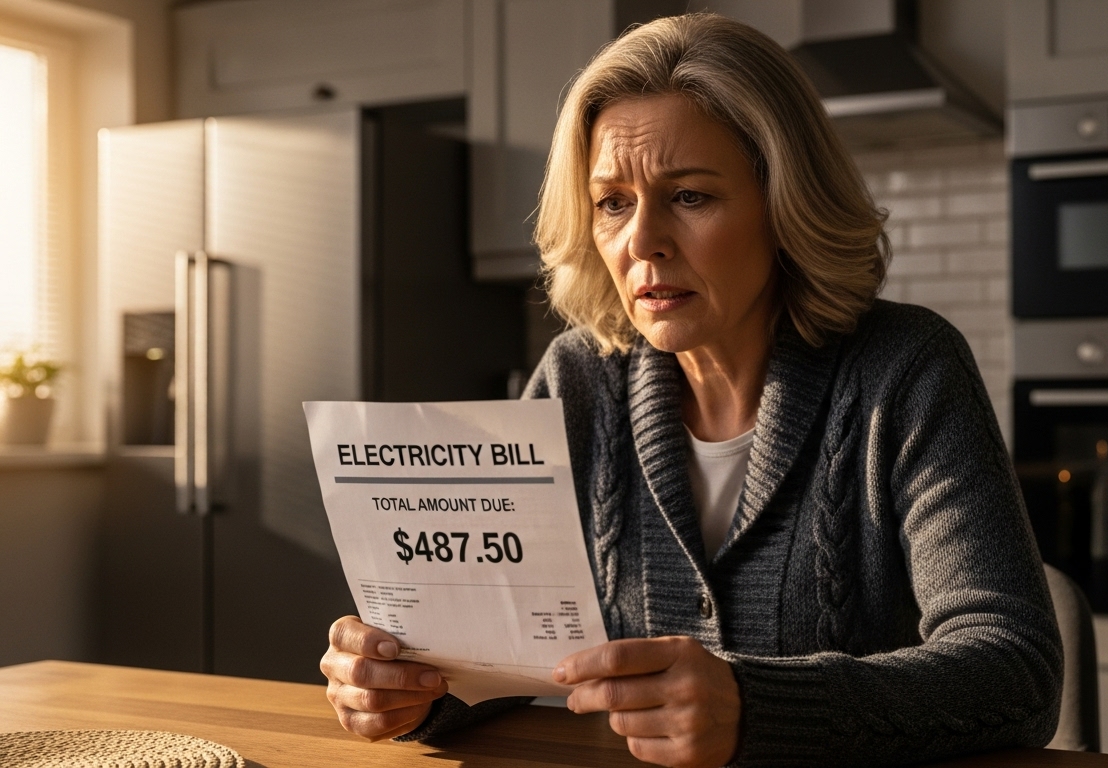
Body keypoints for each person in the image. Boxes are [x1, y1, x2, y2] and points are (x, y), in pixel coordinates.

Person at [319, 13, 1062, 768]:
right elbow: (513, 653)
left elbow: (1015, 671)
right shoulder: (576, 380)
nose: (642, 242)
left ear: (784, 203)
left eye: (691, 197)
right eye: (613, 203)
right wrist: (413, 686)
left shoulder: (907, 368)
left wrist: (753, 706)